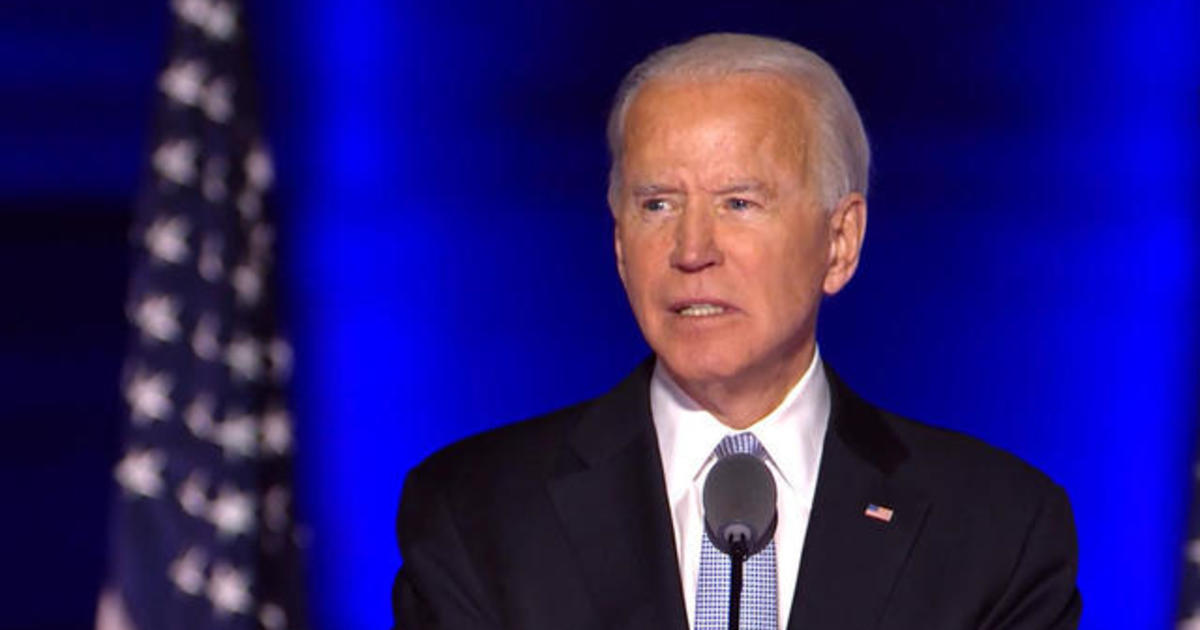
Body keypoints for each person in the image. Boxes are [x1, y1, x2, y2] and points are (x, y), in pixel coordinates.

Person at [392, 33, 1081, 630]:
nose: (692, 248)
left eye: (739, 203)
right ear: (619, 245)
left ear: (840, 242)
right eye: (657, 203)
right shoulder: (476, 513)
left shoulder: (997, 529)